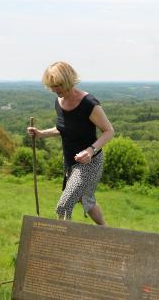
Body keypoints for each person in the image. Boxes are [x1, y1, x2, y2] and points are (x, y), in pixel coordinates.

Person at [27, 61, 114, 225]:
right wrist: (41, 134)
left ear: (68, 80)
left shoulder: (89, 104)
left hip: (90, 162)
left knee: (64, 205)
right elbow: (64, 128)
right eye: (51, 86)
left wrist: (90, 150)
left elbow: (109, 131)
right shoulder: (58, 102)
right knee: (85, 199)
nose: (53, 89)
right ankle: (105, 230)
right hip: (69, 161)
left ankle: (61, 239)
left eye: (57, 85)